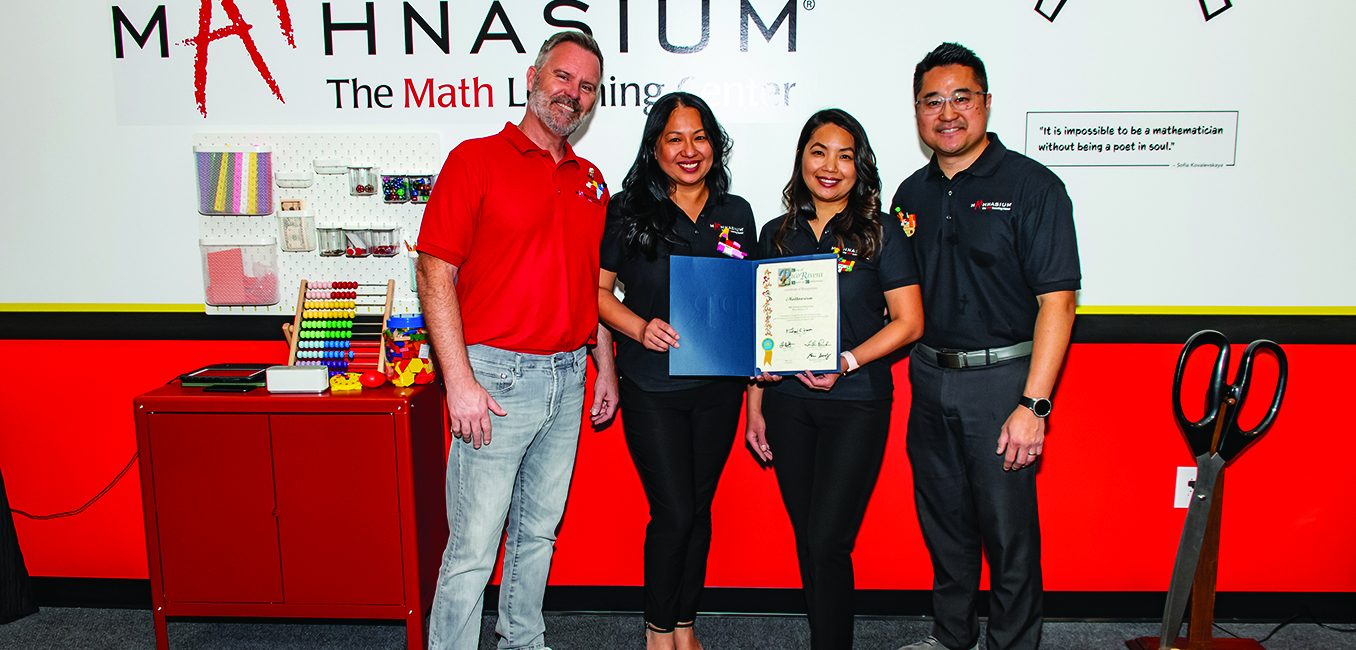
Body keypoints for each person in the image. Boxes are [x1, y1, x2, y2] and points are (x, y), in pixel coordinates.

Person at [416, 30, 619, 650]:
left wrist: (603, 367)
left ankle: (522, 639)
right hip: (493, 382)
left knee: (537, 534)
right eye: (563, 77)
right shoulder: (474, 160)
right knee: (474, 548)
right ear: (532, 78)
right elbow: (433, 271)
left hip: (567, 374)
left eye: (587, 86)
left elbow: (592, 287)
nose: (573, 94)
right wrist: (460, 383)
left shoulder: (591, 182)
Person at [890, 43, 1080, 650]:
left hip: (1004, 385)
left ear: (987, 103)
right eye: (932, 101)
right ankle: (951, 637)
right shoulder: (909, 195)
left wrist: (1035, 406)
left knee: (1008, 535)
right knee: (944, 523)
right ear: (917, 111)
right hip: (928, 377)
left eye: (961, 98)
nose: (947, 113)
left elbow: (1059, 301)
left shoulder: (1033, 186)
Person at [745, 108, 924, 650]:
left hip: (856, 403)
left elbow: (911, 322)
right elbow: (761, 326)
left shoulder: (881, 231)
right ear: (802, 158)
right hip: (787, 406)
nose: (830, 166)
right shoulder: (776, 234)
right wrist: (754, 405)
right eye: (819, 152)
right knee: (810, 540)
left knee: (827, 541)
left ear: (859, 166)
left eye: (845, 155)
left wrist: (845, 361)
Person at [596, 92, 755, 650]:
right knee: (674, 511)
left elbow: (749, 301)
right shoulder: (626, 209)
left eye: (700, 137)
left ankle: (686, 625)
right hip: (652, 386)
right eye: (674, 139)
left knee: (700, 508)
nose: (689, 151)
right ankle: (657, 630)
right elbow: (597, 293)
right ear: (655, 147)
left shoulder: (735, 213)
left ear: (715, 143)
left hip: (718, 388)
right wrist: (638, 328)